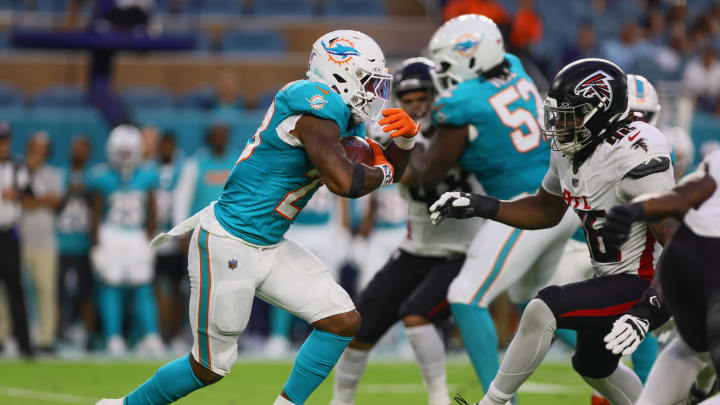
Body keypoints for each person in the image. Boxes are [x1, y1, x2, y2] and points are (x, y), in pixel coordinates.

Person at [95, 29, 420, 405]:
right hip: (230, 240)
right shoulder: (312, 105)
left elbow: (390, 168)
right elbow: (344, 181)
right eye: (367, 81)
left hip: (270, 242)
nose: (373, 93)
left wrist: (408, 141)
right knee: (209, 366)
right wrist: (384, 170)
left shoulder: (342, 119)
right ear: (339, 73)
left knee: (342, 320)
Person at [431, 58, 678, 405]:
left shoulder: (634, 153)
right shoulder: (572, 149)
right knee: (593, 366)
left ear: (600, 110)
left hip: (649, 283)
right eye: (558, 113)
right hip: (611, 276)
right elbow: (545, 210)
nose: (561, 123)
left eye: (572, 113)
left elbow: (676, 242)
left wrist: (650, 307)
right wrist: (481, 205)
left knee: (544, 306)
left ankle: (493, 402)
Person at [404, 14, 577, 393]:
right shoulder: (514, 66)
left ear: (471, 57)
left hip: (526, 204)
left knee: (465, 295)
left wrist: (400, 146)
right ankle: (615, 367)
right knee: (534, 303)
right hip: (558, 195)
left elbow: (429, 171)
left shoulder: (461, 101)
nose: (443, 75)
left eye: (447, 64)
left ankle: (495, 400)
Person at [332, 57, 483, 405]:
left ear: (437, 94)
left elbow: (420, 173)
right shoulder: (388, 132)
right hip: (416, 247)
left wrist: (407, 145)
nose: (416, 105)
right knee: (360, 326)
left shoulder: (456, 128)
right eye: (408, 99)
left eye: (422, 97)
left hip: (463, 249)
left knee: (417, 317)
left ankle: (438, 399)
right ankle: (340, 401)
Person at [548, 74, 668, 405]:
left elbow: (674, 231)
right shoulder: (583, 147)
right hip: (592, 253)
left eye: (646, 116)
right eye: (635, 114)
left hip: (653, 264)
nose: (639, 123)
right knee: (545, 307)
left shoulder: (654, 150)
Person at [598, 152, 720, 405]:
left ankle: (701, 387)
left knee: (695, 350)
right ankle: (702, 387)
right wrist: (636, 209)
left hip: (689, 262)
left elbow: (684, 195)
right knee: (695, 349)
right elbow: (685, 194)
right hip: (696, 266)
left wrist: (637, 209)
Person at [89, 125, 163, 356]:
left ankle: (150, 335)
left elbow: (152, 212)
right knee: (111, 287)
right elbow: (96, 213)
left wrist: (150, 240)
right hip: (111, 233)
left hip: (135, 235)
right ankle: (113, 337)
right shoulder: (102, 177)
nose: (125, 158)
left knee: (142, 288)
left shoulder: (148, 175)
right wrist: (96, 245)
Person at [18, 132, 63, 353]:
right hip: (20, 239)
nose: (38, 153)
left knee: (46, 290)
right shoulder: (18, 171)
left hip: (45, 241)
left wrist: (32, 200)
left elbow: (55, 201)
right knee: (14, 292)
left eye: (42, 149)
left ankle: (46, 337)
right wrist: (37, 200)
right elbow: (20, 200)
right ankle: (9, 335)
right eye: (35, 148)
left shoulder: (53, 174)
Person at [56, 135, 97, 350]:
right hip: (62, 242)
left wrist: (86, 194)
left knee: (86, 292)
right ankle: (57, 332)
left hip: (84, 243)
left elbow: (99, 207)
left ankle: (89, 335)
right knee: (59, 291)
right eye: (76, 147)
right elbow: (53, 205)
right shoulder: (61, 173)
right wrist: (68, 193)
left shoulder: (92, 176)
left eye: (83, 148)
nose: (79, 152)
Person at [0, 123, 32, 357]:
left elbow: (30, 194)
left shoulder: (18, 167)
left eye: (4, 140)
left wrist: (18, 194)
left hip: (9, 235)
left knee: (15, 290)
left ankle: (24, 344)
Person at [152, 132, 186, 346]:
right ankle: (158, 331)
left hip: (176, 236)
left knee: (177, 287)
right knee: (156, 287)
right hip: (156, 237)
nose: (166, 149)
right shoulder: (149, 170)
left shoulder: (184, 170)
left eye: (169, 145)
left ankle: (174, 332)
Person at [173, 122, 236, 226]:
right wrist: (181, 231)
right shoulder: (195, 163)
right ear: (209, 137)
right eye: (216, 135)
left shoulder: (238, 162)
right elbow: (183, 197)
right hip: (201, 229)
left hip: (230, 229)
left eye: (222, 134)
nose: (219, 138)